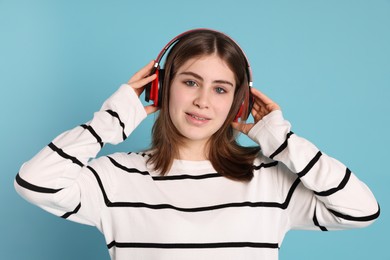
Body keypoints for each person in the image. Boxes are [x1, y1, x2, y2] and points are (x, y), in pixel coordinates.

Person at [15, 29, 380, 260]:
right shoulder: (113, 178)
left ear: (239, 103)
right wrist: (110, 122)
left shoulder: (270, 180)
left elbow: (361, 211)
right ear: (161, 88)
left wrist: (282, 142)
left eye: (220, 89)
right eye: (190, 82)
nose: (203, 100)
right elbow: (35, 182)